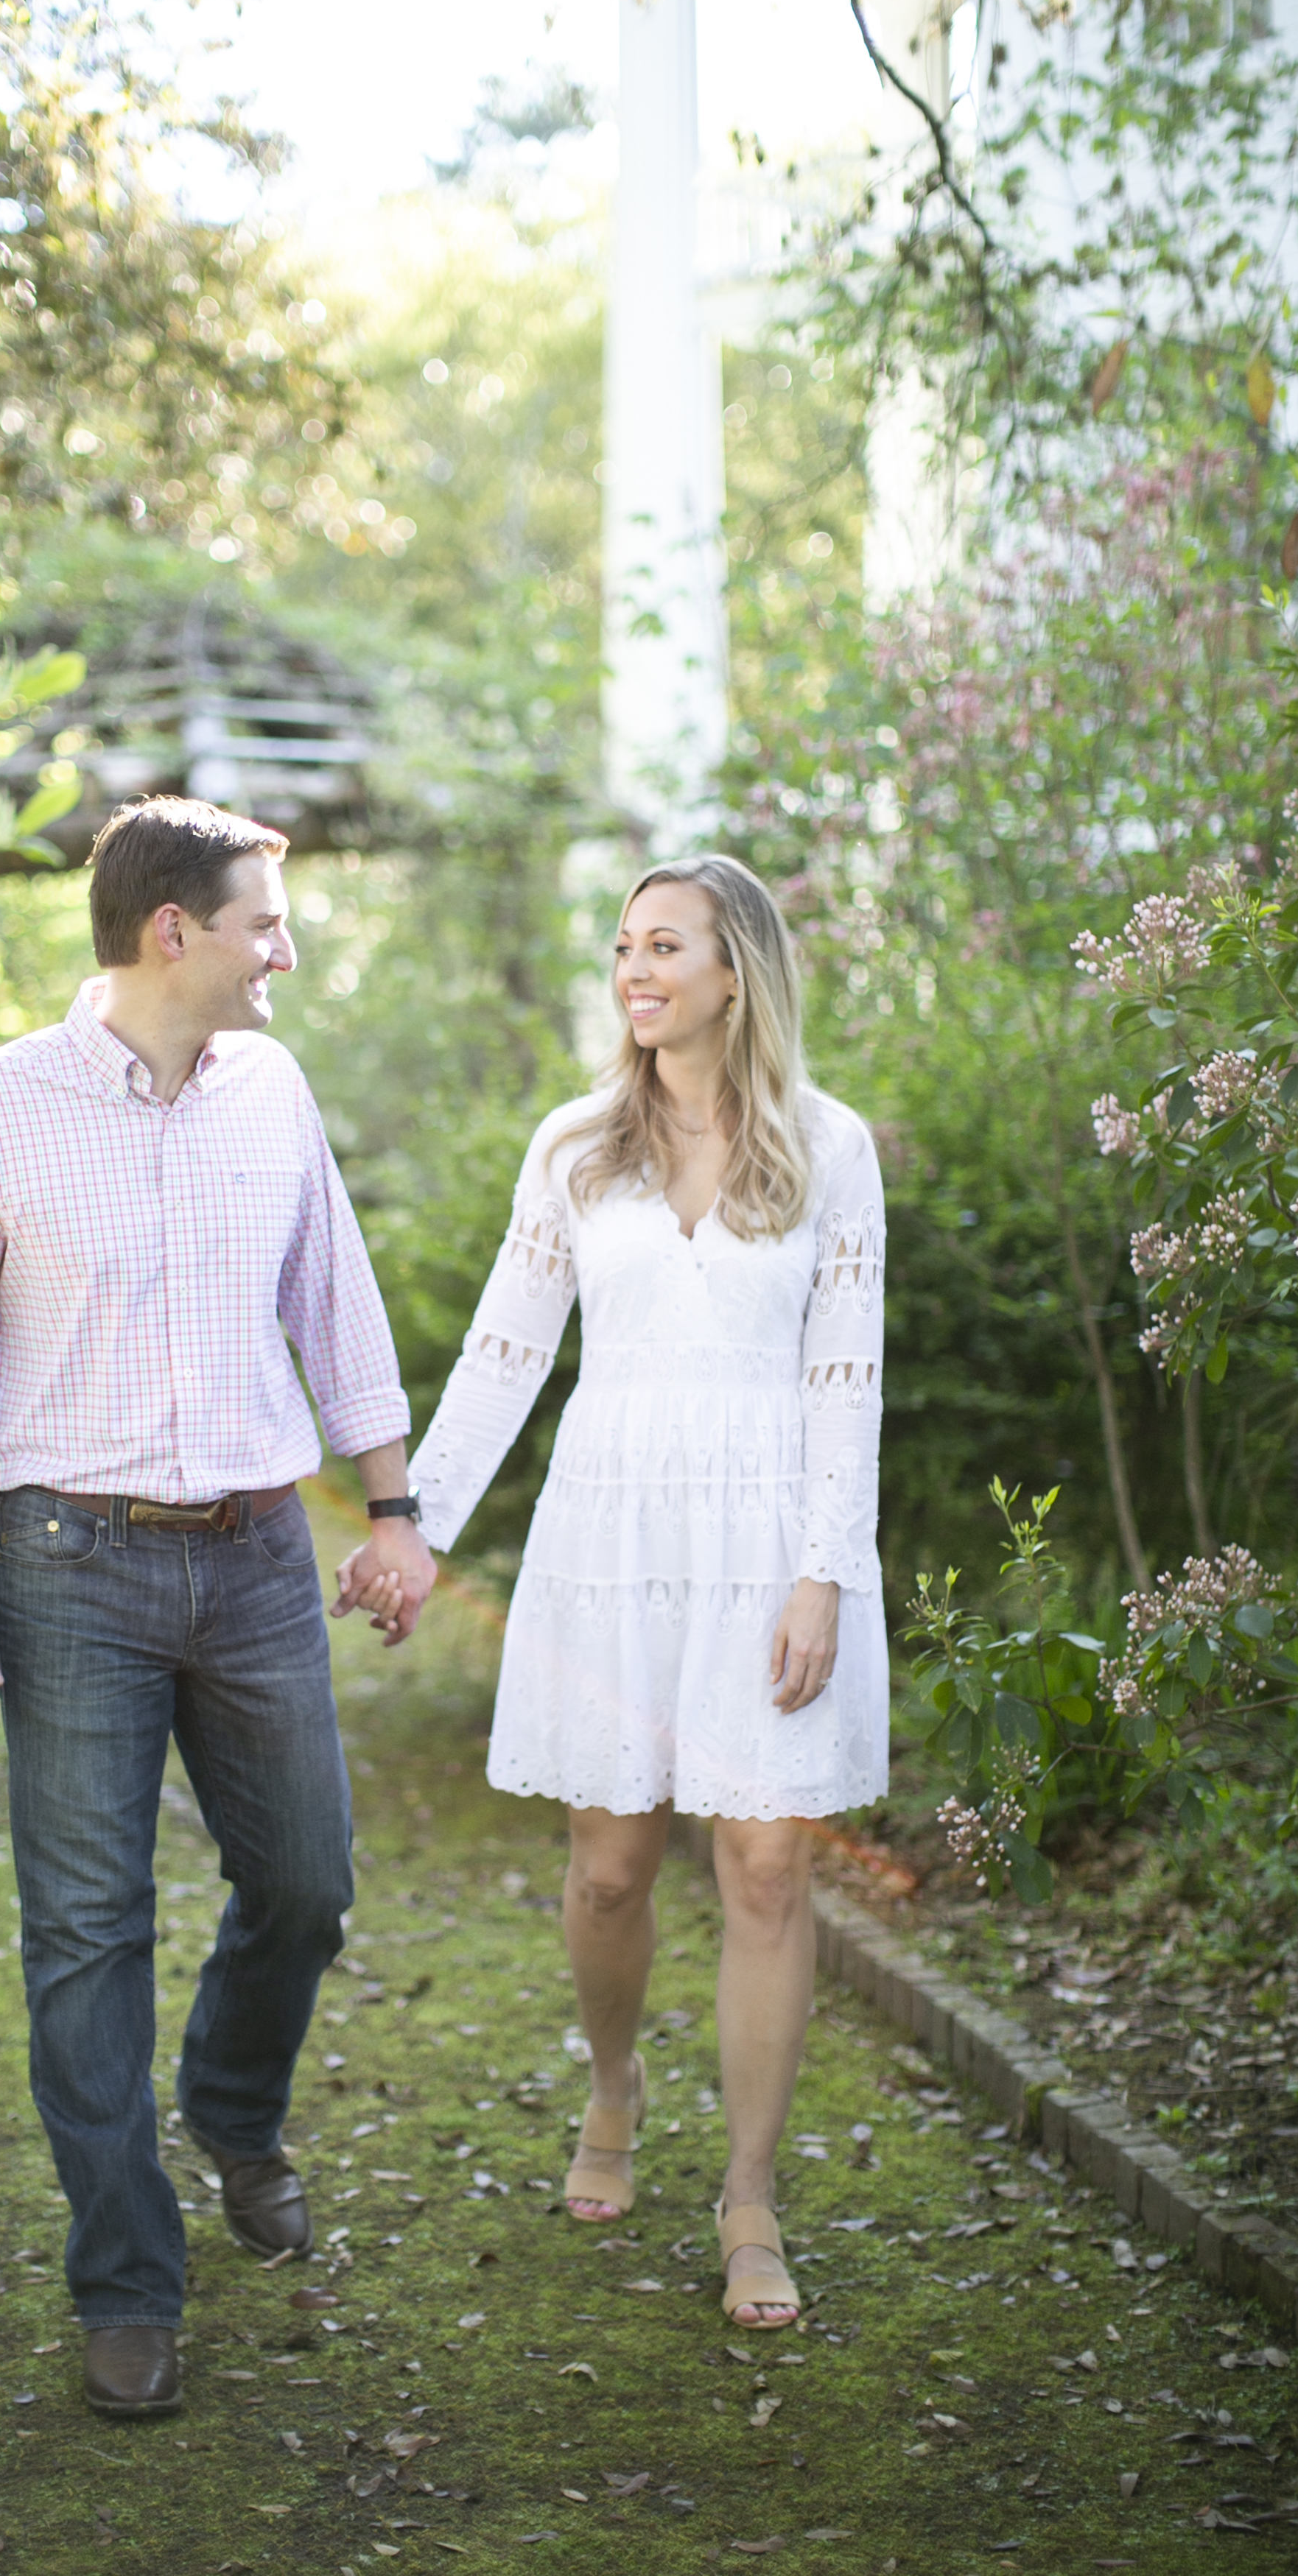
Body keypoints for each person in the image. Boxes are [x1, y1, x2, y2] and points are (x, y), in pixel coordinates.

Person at [0, 797, 438, 2419]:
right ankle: (126, 2274)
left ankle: (234, 2108)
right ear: (171, 931)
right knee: (85, 1935)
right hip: (71, 1569)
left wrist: (390, 1509)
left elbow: (339, 1304)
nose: (287, 948)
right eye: (267, 920)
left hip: (259, 1559)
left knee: (308, 1882)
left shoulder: (275, 1091)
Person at [405, 853, 886, 2331]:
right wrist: (408, 1530)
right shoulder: (575, 1148)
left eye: (663, 945)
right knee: (611, 1866)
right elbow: (503, 1355)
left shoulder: (828, 1145)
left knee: (764, 1870)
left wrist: (824, 1573)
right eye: (623, 946)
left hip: (769, 1548)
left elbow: (844, 1374)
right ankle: (612, 2086)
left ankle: (749, 2197)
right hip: (607, 1538)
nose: (634, 970)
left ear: (736, 970)